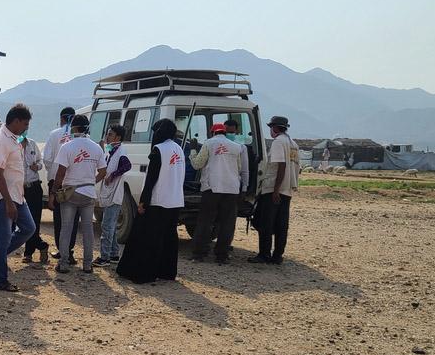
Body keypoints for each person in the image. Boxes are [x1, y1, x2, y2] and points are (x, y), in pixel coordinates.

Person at [116, 119, 185, 283]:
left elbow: (151, 179)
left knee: (149, 238)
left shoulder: (159, 150)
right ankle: (167, 271)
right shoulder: (178, 149)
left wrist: (143, 201)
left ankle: (145, 273)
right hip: (175, 200)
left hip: (158, 200)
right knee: (169, 238)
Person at [0, 104, 36, 292]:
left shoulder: (13, 139)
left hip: (16, 195)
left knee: (29, 228)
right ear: (15, 121)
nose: (26, 127)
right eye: (24, 123)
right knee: (3, 238)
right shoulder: (0, 140)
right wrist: (7, 202)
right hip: (3, 196)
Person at [48, 114, 107, 273]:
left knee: (66, 228)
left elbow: (60, 174)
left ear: (73, 127)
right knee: (88, 230)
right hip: (88, 194)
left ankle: (64, 262)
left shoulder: (67, 146)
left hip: (70, 193)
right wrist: (91, 181)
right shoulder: (96, 147)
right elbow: (103, 171)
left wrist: (53, 193)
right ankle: (87, 265)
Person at [189, 120, 249, 264]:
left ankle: (199, 254)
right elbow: (242, 170)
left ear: (212, 132)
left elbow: (197, 165)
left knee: (205, 221)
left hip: (212, 188)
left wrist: (192, 151)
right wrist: (244, 189)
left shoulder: (209, 143)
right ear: (225, 132)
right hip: (231, 189)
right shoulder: (237, 147)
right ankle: (222, 255)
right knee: (227, 223)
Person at [251, 116, 300, 265]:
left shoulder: (278, 142)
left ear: (275, 128)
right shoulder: (293, 144)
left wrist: (276, 190)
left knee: (266, 223)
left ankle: (264, 254)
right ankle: (278, 255)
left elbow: (281, 165)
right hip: (287, 190)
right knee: (281, 225)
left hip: (274, 189)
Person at [43, 107, 79, 263]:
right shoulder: (80, 136)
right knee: (73, 218)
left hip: (58, 181)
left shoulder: (54, 134)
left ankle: (61, 250)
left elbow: (47, 158)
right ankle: (69, 251)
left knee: (59, 218)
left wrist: (52, 174)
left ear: (62, 118)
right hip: (75, 182)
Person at [94, 124, 131, 266]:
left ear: (118, 137)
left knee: (107, 226)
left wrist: (113, 175)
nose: (107, 137)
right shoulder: (112, 149)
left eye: (110, 135)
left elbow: (127, 166)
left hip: (114, 193)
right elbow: (106, 159)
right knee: (112, 226)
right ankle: (115, 254)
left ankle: (105, 257)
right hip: (109, 192)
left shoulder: (121, 151)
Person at [21, 133, 50, 264]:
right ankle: (41, 245)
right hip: (19, 188)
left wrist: (36, 166)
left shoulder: (32, 143)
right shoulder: (12, 145)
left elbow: (40, 161)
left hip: (33, 187)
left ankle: (28, 253)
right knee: (22, 221)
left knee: (34, 221)